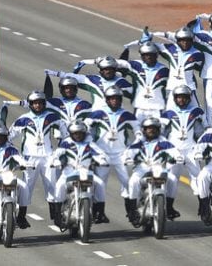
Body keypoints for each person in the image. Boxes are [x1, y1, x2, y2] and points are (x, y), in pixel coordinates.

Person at [9, 91, 63, 225]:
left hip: (48, 156)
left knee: (52, 185)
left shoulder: (52, 117)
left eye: (40, 103)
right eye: (34, 103)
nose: (37, 105)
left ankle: (56, 216)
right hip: (30, 157)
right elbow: (9, 136)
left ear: (44, 103)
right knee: (26, 187)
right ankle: (21, 216)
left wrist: (65, 145)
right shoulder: (23, 119)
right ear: (31, 104)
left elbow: (66, 131)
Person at [88, 87, 139, 223]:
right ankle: (98, 213)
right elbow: (86, 130)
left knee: (128, 181)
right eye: (112, 98)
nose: (115, 101)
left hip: (121, 153)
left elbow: (138, 130)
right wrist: (91, 146)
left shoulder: (126, 115)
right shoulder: (97, 114)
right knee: (100, 183)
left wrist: (137, 141)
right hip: (102, 153)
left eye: (117, 98)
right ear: (107, 100)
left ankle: (132, 212)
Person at [49, 121, 110, 229]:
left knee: (100, 183)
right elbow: (56, 154)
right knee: (59, 186)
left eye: (80, 133)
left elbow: (100, 153)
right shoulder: (66, 143)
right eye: (75, 133)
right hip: (69, 172)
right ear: (71, 133)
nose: (77, 135)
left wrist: (102, 160)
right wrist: (55, 161)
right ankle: (57, 215)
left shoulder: (89, 143)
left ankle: (99, 212)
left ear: (84, 133)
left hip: (86, 172)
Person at [122, 116, 181, 226]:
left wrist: (178, 157)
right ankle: (134, 211)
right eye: (148, 128)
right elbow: (128, 153)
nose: (151, 130)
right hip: (141, 170)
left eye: (154, 128)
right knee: (133, 182)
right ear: (143, 130)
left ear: (158, 129)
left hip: (159, 168)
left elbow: (174, 151)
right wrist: (127, 159)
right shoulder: (138, 142)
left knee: (173, 179)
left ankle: (169, 207)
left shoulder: (164, 142)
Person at [158, 85, 206, 217]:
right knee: (172, 179)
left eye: (184, 97)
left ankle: (203, 206)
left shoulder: (196, 111)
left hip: (191, 149)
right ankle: (168, 207)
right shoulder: (168, 113)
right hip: (174, 150)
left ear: (189, 98)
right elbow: (162, 133)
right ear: (174, 98)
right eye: (179, 97)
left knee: (198, 177)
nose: (182, 100)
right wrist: (165, 149)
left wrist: (201, 148)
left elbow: (200, 132)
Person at [153, 28, 205, 109]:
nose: (185, 42)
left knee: (196, 112)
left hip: (189, 88)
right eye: (182, 40)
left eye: (188, 40)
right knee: (170, 114)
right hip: (172, 87)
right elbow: (151, 46)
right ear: (177, 41)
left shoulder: (197, 54)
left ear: (192, 41)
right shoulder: (169, 49)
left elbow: (200, 67)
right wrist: (149, 37)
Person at [124, 42, 170, 122]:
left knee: (158, 133)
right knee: (138, 131)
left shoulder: (164, 70)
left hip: (157, 108)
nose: (148, 57)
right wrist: (126, 50)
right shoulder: (136, 66)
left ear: (156, 55)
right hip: (140, 107)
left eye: (151, 54)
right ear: (141, 55)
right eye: (145, 55)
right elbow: (120, 64)